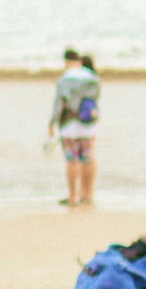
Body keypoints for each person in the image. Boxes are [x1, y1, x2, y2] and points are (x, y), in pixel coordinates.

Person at [48, 48, 100, 207]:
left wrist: (52, 123)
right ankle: (87, 195)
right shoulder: (92, 77)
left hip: (70, 125)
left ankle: (73, 196)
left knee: (72, 160)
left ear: (67, 62)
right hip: (88, 123)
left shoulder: (65, 79)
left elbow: (59, 104)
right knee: (88, 158)